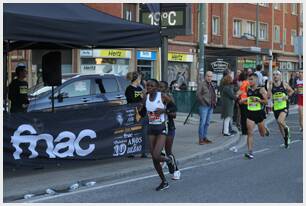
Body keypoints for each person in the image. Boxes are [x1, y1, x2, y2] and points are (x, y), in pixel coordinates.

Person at [142, 79, 174, 191]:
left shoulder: (163, 96)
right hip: (151, 129)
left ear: (156, 87)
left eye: (151, 86)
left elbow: (174, 111)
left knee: (156, 155)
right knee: (154, 159)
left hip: (161, 129)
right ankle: (164, 181)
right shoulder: (145, 97)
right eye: (147, 85)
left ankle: (169, 161)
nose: (149, 87)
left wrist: (164, 111)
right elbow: (143, 112)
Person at [241, 73, 270, 159]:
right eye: (249, 79)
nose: (249, 81)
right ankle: (250, 152)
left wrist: (258, 100)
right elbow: (247, 99)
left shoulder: (261, 90)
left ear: (256, 80)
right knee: (250, 132)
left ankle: (265, 130)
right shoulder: (248, 89)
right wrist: (244, 100)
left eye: (251, 79)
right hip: (250, 113)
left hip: (259, 113)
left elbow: (266, 102)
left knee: (262, 134)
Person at [159, 81, 181, 180]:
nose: (160, 89)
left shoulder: (169, 98)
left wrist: (165, 111)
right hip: (157, 127)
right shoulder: (154, 97)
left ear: (166, 88)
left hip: (169, 127)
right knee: (157, 151)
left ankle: (175, 170)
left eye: (162, 87)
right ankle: (164, 160)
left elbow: (174, 115)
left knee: (168, 151)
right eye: (158, 87)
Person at [267, 70, 294, 148]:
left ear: (280, 76)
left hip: (284, 106)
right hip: (276, 107)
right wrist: (269, 87)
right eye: (274, 75)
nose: (275, 76)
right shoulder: (271, 85)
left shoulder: (284, 84)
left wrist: (287, 96)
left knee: (280, 121)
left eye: (277, 75)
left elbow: (291, 91)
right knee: (279, 125)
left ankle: (287, 128)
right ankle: (285, 139)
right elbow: (268, 96)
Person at [125, 71, 148, 158]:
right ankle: (131, 151)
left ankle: (143, 151)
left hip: (142, 112)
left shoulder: (140, 88)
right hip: (133, 112)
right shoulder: (129, 89)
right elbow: (130, 100)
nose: (140, 80)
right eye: (139, 78)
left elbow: (144, 99)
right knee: (133, 132)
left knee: (143, 131)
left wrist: (144, 95)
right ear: (136, 79)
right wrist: (140, 96)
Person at [196, 71, 217, 145]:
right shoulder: (202, 84)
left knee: (207, 123)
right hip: (204, 106)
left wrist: (214, 102)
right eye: (208, 76)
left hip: (210, 106)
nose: (209, 78)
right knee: (202, 123)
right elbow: (198, 94)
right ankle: (201, 139)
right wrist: (203, 102)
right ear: (205, 76)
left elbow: (213, 94)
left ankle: (204, 137)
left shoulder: (211, 84)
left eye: (211, 76)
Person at [237, 71, 249, 136]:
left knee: (243, 117)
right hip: (245, 102)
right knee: (245, 117)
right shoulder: (246, 83)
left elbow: (240, 91)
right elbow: (242, 91)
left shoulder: (241, 83)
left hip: (242, 101)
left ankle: (244, 130)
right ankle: (245, 131)